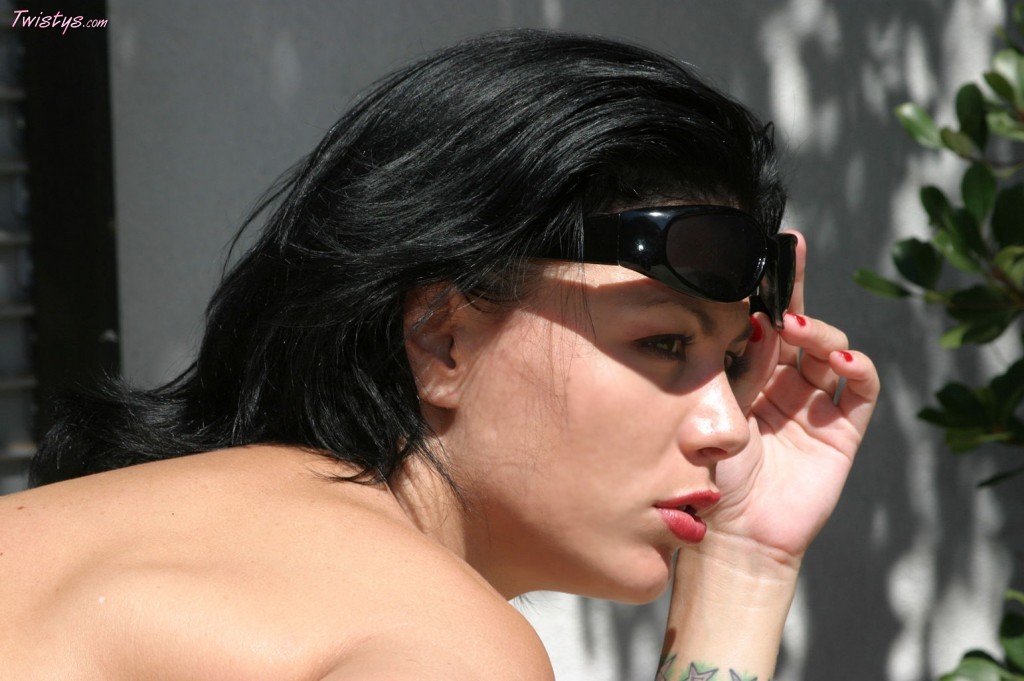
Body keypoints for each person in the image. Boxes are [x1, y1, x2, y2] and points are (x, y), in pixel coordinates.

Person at [0, 29, 878, 680]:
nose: (728, 426)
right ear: (440, 337)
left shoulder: (86, 529)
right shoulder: (438, 643)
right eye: (664, 342)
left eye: (731, 363)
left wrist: (741, 559)